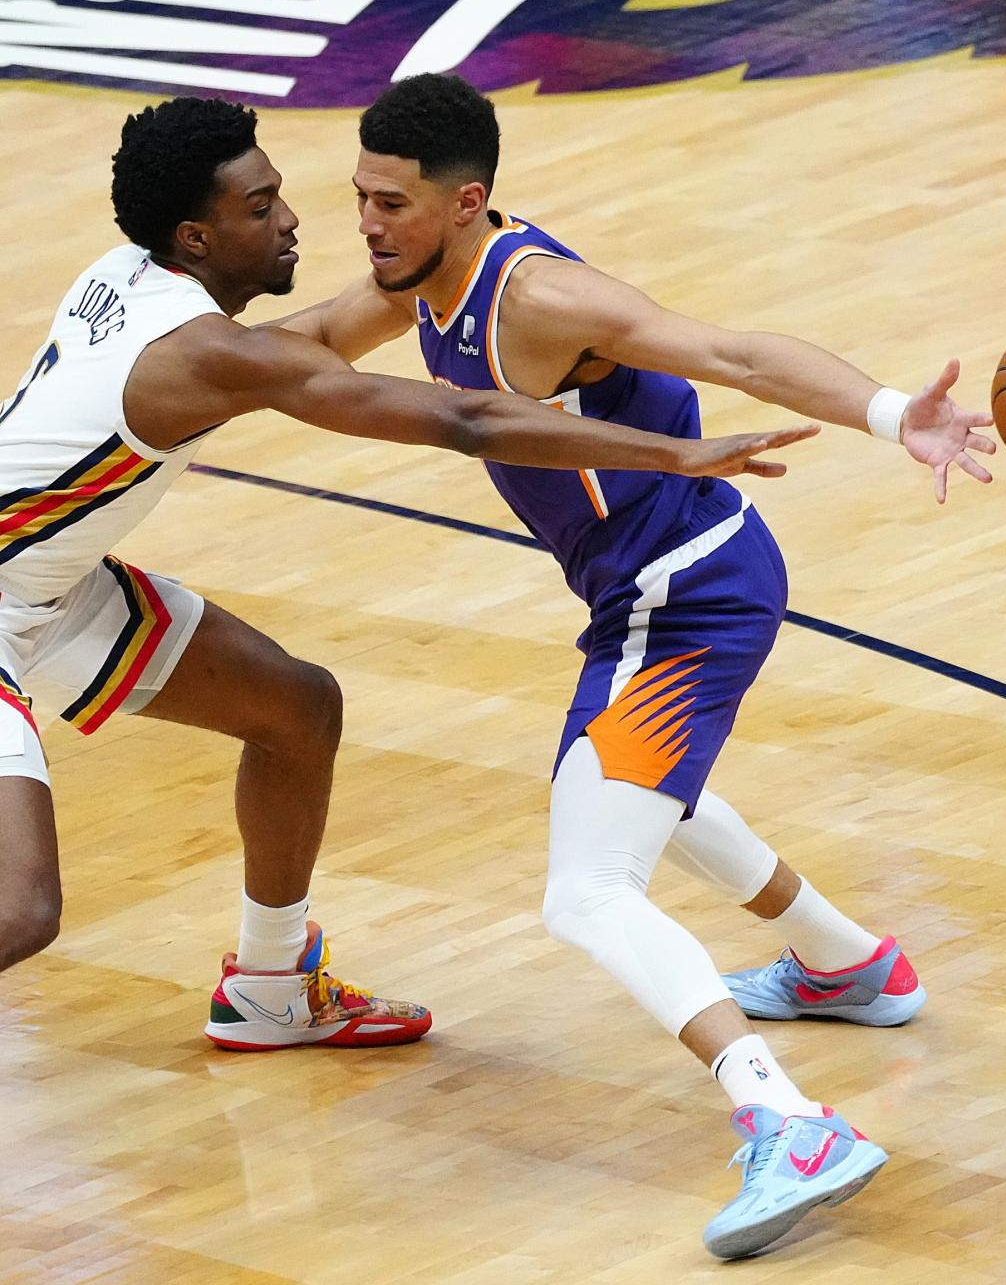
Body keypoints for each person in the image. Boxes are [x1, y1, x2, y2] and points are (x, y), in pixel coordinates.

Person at [308, 73, 996, 1258]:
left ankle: (789, 1120)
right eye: (361, 197)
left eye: (393, 204)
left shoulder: (542, 298)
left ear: (467, 203)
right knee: (629, 790)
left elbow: (731, 351)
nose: (368, 223)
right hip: (651, 592)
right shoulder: (414, 279)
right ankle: (848, 964)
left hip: (686, 599)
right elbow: (297, 349)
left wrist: (893, 415)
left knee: (586, 887)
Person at [0, 96, 812, 1056]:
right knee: (23, 910)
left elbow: (309, 350)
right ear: (196, 236)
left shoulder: (130, 277)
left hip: (46, 584)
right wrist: (671, 453)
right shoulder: (207, 352)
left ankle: (271, 989)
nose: (295, 220)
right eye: (261, 209)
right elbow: (464, 418)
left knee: (297, 710)